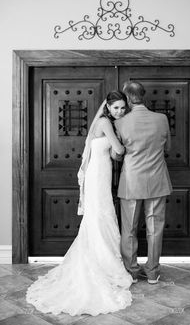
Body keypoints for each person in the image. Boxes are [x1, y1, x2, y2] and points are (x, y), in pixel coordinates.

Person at [26, 91, 133, 316]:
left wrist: (116, 150)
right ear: (108, 107)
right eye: (116, 108)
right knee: (100, 214)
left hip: (99, 173)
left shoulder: (106, 122)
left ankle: (101, 259)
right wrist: (122, 144)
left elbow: (113, 153)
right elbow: (119, 150)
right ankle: (103, 264)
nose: (120, 112)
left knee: (100, 215)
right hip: (98, 175)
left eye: (123, 108)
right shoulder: (105, 122)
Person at [114, 81, 172, 284]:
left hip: (131, 182)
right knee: (155, 228)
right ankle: (153, 273)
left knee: (128, 229)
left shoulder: (120, 123)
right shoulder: (162, 119)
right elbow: (168, 149)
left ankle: (131, 271)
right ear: (143, 96)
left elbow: (117, 155)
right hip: (157, 180)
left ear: (128, 99)